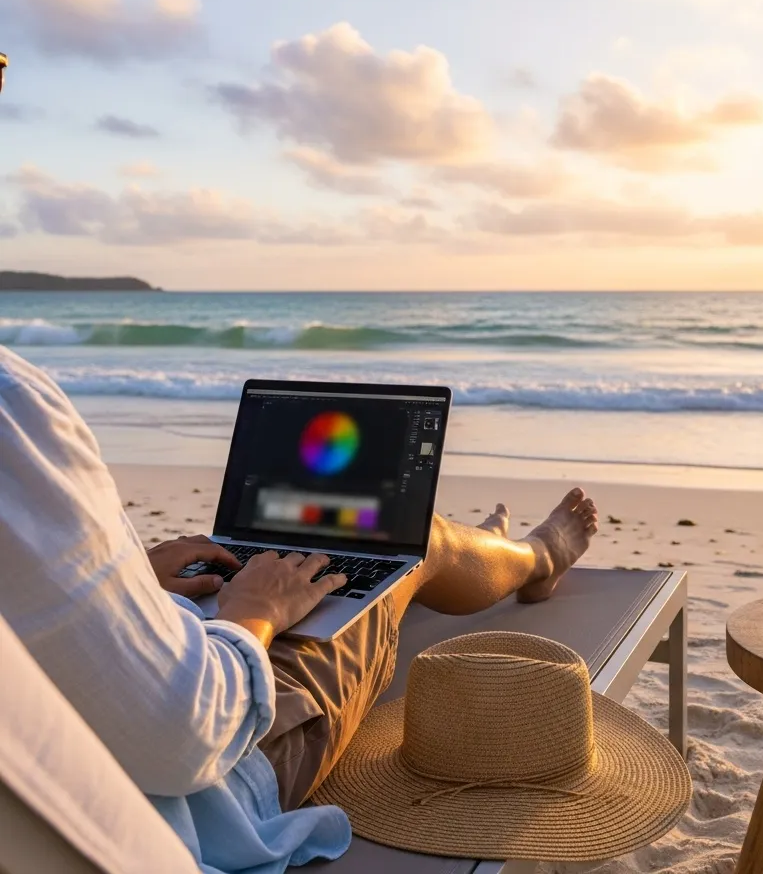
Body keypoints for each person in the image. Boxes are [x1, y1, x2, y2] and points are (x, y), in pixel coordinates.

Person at [0, 345, 599, 874]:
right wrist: (253, 614)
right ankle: (534, 556)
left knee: (282, 560)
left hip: (102, 744)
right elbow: (182, 739)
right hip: (211, 797)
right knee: (416, 547)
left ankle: (491, 549)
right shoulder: (12, 410)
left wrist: (128, 584)